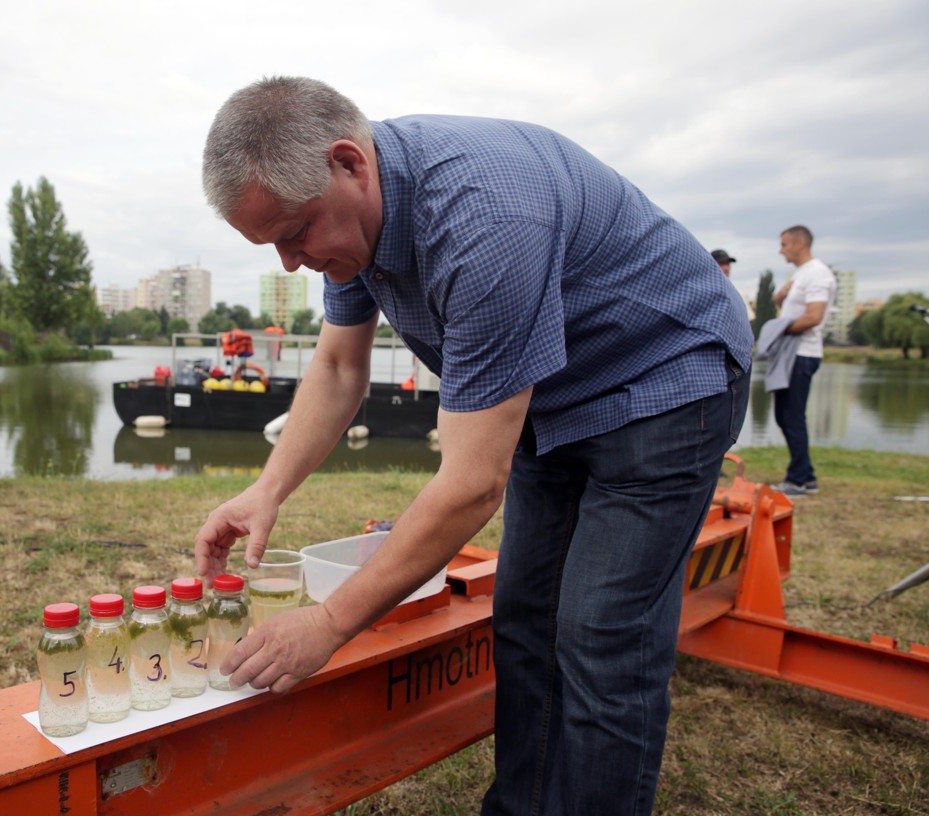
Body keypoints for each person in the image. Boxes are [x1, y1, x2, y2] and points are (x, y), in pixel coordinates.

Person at [195, 77, 752, 816]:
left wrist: (328, 625)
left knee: (597, 634)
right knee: (524, 619)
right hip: (556, 394)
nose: (290, 263)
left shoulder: (483, 218)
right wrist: (266, 490)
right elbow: (336, 365)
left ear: (348, 165)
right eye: (272, 246)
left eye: (295, 235)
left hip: (664, 380)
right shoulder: (351, 221)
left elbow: (470, 483)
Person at [768, 225, 836, 497]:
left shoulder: (817, 273)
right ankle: (805, 476)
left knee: (793, 416)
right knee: (783, 416)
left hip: (802, 354)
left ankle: (798, 480)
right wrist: (779, 300)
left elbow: (813, 317)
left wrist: (776, 329)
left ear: (800, 243)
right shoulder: (801, 274)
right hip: (789, 354)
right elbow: (796, 312)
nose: (781, 250)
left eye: (784, 244)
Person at [711, 248, 755, 320]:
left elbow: (748, 323)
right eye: (721, 264)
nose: (726, 268)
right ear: (712, 264)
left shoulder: (738, 294)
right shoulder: (704, 293)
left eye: (727, 264)